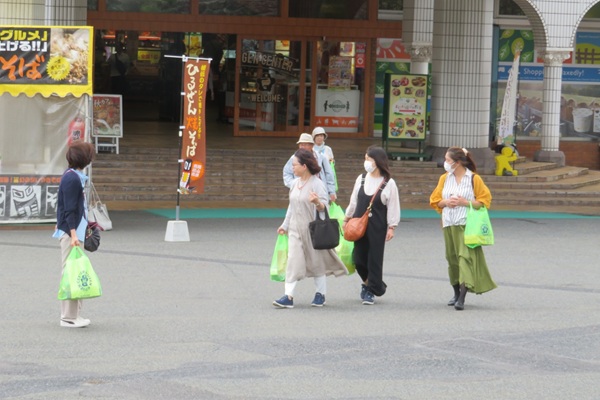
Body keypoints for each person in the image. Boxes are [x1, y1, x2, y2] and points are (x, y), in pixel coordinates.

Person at [273, 149, 347, 308]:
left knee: (316, 261)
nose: (292, 168)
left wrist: (317, 203)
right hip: (295, 228)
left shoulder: (317, 184)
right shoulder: (295, 183)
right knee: (293, 260)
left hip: (313, 229)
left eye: (295, 165)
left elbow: (324, 207)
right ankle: (288, 296)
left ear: (304, 166)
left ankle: (321, 294)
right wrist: (285, 225)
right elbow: (291, 206)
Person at [429, 147, 497, 311]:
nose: (445, 163)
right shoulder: (444, 178)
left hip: (466, 224)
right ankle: (455, 292)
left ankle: (462, 297)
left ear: (458, 162)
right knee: (451, 258)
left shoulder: (473, 178)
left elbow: (484, 201)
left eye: (448, 160)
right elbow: (435, 200)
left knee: (464, 258)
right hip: (448, 223)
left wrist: (464, 203)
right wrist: (446, 202)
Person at [343, 146, 400, 305]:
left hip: (377, 226)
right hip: (358, 224)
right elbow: (353, 201)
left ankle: (370, 290)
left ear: (378, 161)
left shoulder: (389, 183)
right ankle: (373, 285)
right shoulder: (361, 178)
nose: (366, 162)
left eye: (369, 159)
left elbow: (393, 206)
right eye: (365, 158)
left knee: (374, 259)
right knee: (358, 258)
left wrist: (392, 227)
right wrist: (346, 219)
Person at [53, 141, 96, 327]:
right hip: (72, 233)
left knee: (75, 271)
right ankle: (69, 317)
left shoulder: (73, 176)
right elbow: (69, 209)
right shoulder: (72, 179)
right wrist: (74, 235)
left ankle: (73, 315)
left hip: (74, 232)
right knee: (72, 272)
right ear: (84, 158)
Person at [283, 133, 337, 203]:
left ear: (312, 145)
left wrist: (331, 191)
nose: (302, 147)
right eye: (301, 144)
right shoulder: (294, 158)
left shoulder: (320, 157)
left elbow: (329, 174)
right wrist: (294, 184)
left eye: (305, 144)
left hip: (319, 190)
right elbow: (287, 173)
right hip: (300, 191)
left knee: (320, 207)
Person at [312, 126, 337, 190]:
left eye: (321, 136)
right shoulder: (311, 149)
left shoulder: (328, 149)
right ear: (314, 137)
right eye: (317, 136)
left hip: (326, 176)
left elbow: (332, 163)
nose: (319, 138)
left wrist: (332, 161)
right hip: (314, 176)